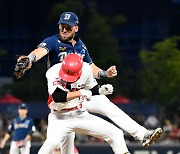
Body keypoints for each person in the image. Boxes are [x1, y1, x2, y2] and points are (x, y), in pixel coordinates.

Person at [16, 11, 162, 148]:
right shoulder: (53, 41)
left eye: (68, 27)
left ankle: (142, 134)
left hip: (81, 95)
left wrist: (105, 73)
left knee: (105, 103)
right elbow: (39, 52)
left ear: (76, 28)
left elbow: (90, 67)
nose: (64, 30)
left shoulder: (81, 46)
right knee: (61, 143)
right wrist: (29, 59)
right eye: (62, 27)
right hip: (62, 97)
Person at [38, 54, 130, 154]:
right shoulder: (53, 72)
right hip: (59, 117)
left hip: (79, 113)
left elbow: (92, 88)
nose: (67, 78)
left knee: (116, 133)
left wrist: (100, 90)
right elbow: (57, 96)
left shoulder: (86, 69)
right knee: (52, 143)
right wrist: (80, 93)